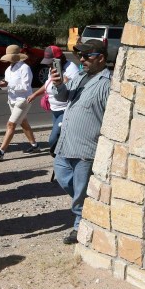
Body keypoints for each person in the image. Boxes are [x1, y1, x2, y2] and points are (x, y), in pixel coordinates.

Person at [50, 40, 111, 244]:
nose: (82, 60)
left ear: (100, 58)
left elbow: (110, 118)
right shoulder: (81, 76)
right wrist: (58, 84)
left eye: (86, 56)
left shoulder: (107, 83)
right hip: (66, 145)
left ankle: (80, 225)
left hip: (86, 148)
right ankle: (88, 208)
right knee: (63, 177)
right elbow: (65, 96)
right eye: (80, 56)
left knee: (81, 188)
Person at [0, 45, 40, 162]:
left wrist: (8, 85)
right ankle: (35, 145)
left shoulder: (25, 68)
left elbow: (26, 86)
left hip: (23, 100)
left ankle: (1, 151)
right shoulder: (8, 70)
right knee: (23, 122)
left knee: (11, 124)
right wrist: (2, 85)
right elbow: (7, 87)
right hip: (12, 100)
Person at [27, 45, 79, 153]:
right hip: (54, 109)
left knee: (53, 140)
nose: (49, 64)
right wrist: (34, 94)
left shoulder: (71, 69)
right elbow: (48, 84)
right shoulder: (54, 68)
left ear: (59, 59)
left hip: (65, 109)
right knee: (61, 138)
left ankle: (61, 158)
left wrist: (63, 83)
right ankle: (62, 160)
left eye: (51, 61)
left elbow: (72, 90)